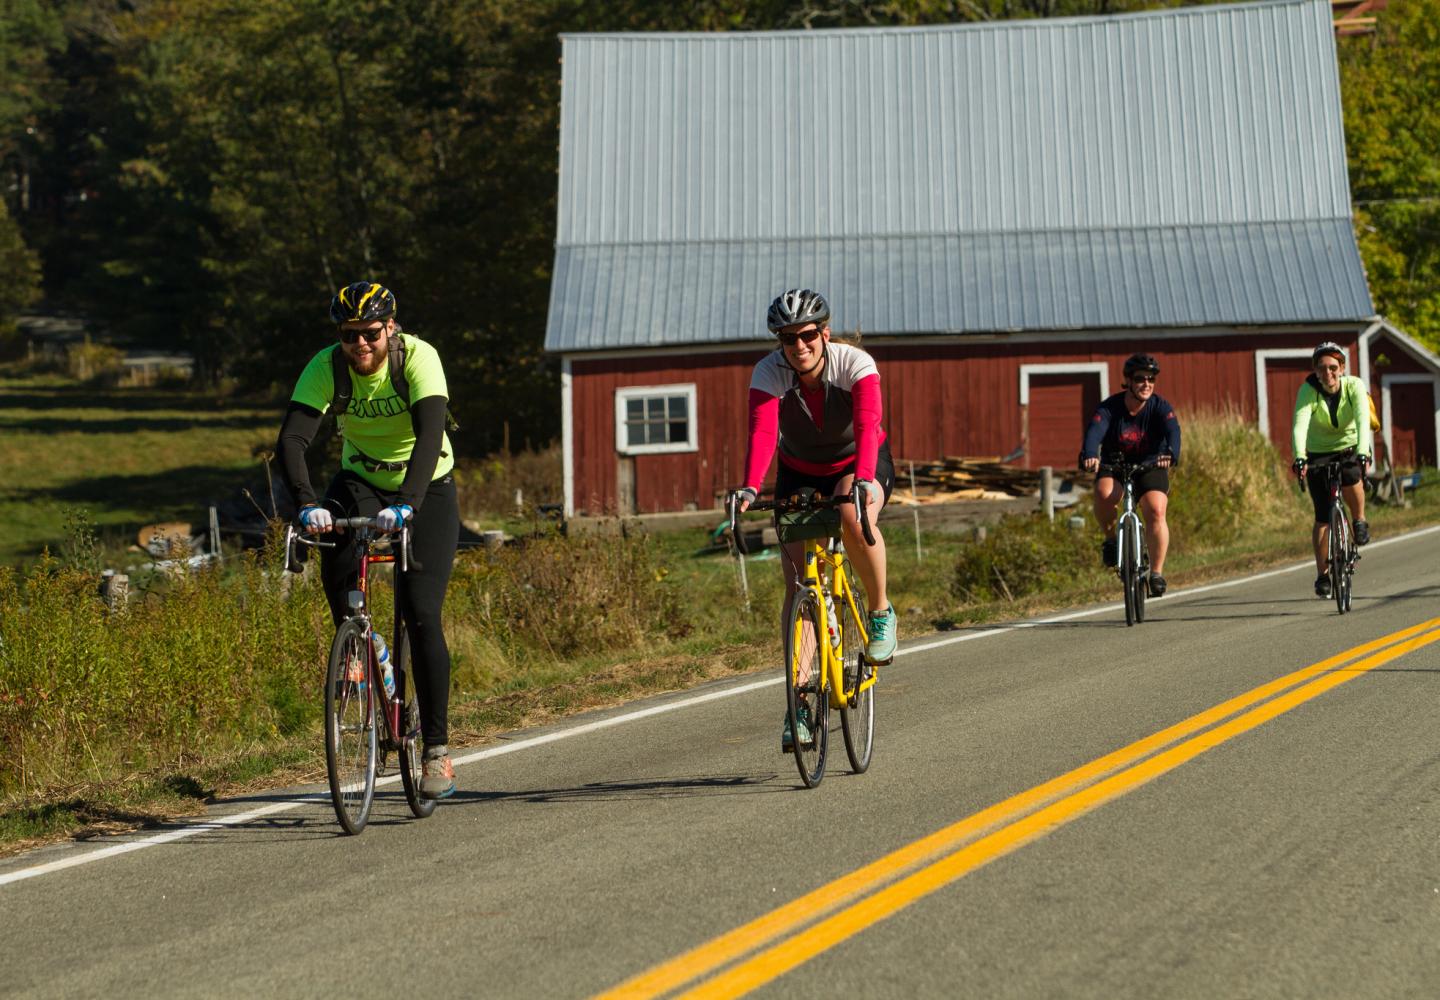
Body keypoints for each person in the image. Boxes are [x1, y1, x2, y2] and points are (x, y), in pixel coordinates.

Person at [276, 281, 460, 799]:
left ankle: (437, 752)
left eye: (371, 334)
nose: (361, 344)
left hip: (426, 485)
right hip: (361, 480)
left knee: (422, 613)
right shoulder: (326, 367)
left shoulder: (420, 358)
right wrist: (307, 503)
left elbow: (430, 435)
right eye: (350, 335)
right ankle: (360, 642)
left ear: (390, 329)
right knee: (332, 540)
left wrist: (409, 505)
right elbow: (293, 439)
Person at [731, 288, 897, 752]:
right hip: (799, 470)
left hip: (858, 462)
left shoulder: (855, 364)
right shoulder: (769, 372)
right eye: (788, 338)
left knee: (850, 509)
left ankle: (880, 610)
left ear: (824, 333)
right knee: (800, 581)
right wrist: (749, 486)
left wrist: (863, 479)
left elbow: (867, 427)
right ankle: (799, 701)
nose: (798, 346)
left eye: (806, 335)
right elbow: (763, 432)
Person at [1080, 353, 1181, 597]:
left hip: (1150, 464)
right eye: (1140, 379)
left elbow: (1173, 431)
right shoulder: (1109, 408)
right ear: (1128, 381)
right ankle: (1111, 540)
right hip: (1114, 464)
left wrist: (1171, 452)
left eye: (1151, 379)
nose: (1146, 384)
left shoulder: (1160, 407)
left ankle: (1156, 573)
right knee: (1105, 494)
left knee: (1156, 509)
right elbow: (1095, 431)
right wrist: (1090, 454)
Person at [1291, 341, 1372, 599]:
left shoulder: (1354, 386)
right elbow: (1299, 425)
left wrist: (1363, 451)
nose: (1329, 374)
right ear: (1315, 370)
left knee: (1351, 476)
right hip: (1318, 452)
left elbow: (1361, 418)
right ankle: (1323, 575)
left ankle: (1359, 520)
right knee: (1322, 516)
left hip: (1349, 446)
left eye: (1334, 368)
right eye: (1323, 368)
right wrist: (1300, 457)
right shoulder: (1308, 390)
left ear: (1343, 368)